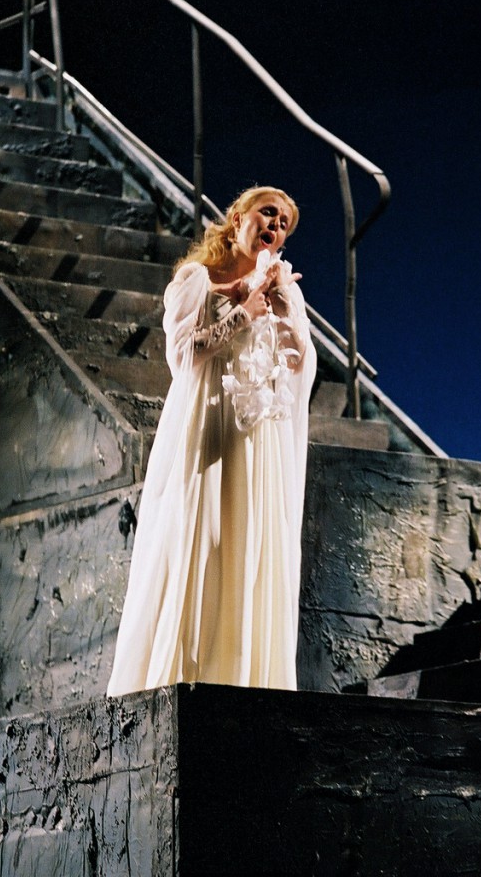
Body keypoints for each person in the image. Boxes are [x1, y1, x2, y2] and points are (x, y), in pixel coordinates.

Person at [106, 185, 316, 695]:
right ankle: (184, 676)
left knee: (250, 545)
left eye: (284, 224)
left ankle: (245, 680)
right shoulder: (196, 279)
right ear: (239, 217)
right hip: (207, 421)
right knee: (202, 541)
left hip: (257, 436)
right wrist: (243, 311)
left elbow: (299, 366)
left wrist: (283, 311)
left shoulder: (282, 287)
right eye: (268, 214)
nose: (275, 227)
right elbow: (183, 357)